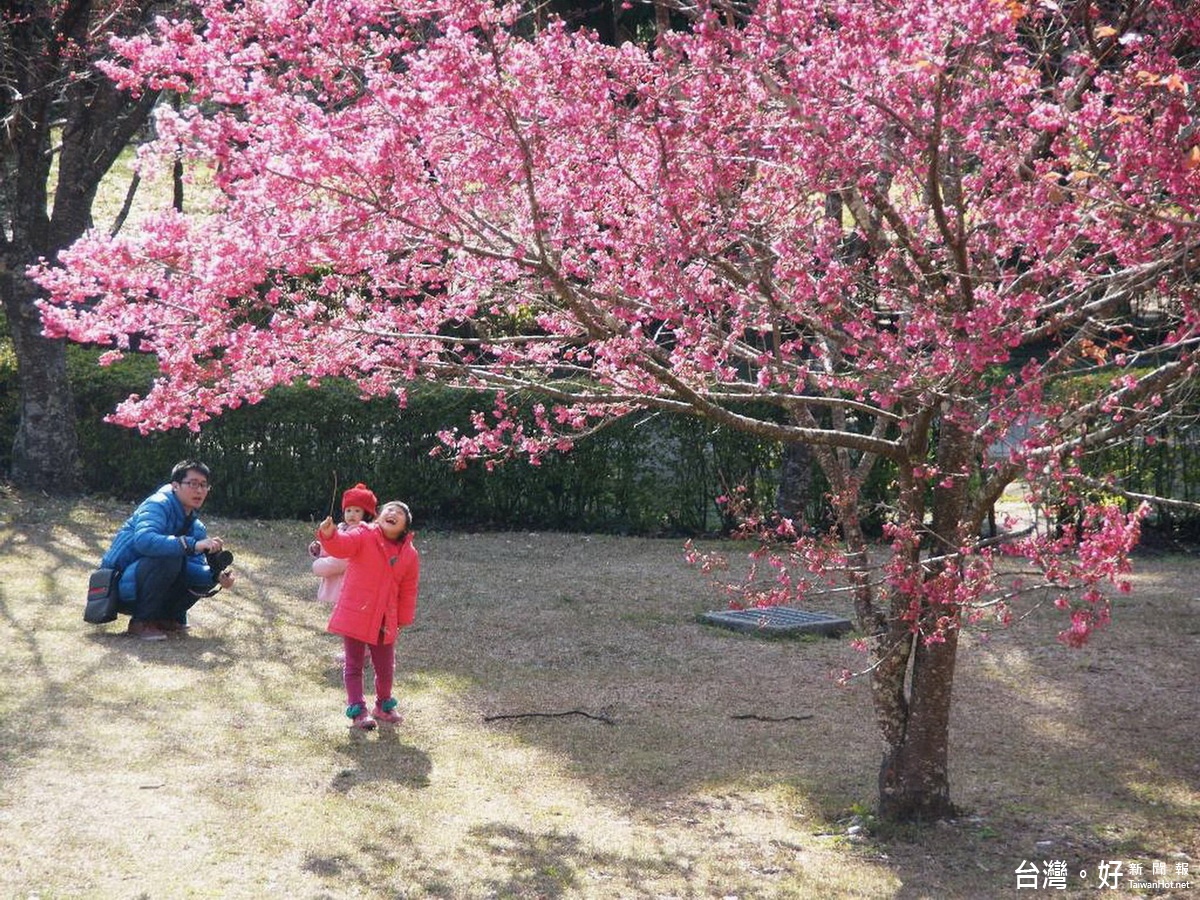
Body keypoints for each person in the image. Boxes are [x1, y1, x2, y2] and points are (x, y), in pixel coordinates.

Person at [100, 460, 235, 641]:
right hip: (117, 585)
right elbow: (144, 540)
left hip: (143, 580)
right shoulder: (157, 504)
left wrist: (216, 576)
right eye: (193, 484)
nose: (199, 490)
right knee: (170, 555)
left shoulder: (196, 526)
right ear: (175, 486)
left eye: (204, 485)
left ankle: (165, 618)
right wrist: (190, 545)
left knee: (206, 573)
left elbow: (192, 570)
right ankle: (141, 622)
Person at [316, 499, 419, 730]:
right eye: (388, 509)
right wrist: (329, 534)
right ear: (378, 517)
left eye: (399, 512)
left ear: (405, 527)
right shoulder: (363, 534)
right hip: (356, 613)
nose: (392, 512)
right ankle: (358, 710)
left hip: (385, 618)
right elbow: (341, 546)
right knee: (353, 664)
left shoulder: (409, 553)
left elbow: (408, 588)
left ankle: (383, 704)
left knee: (385, 665)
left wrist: (402, 618)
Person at [309, 483, 376, 603]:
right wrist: (319, 549)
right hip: (333, 588)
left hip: (347, 593)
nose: (351, 514)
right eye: (348, 510)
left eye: (357, 510)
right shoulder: (340, 529)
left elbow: (341, 561)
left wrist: (317, 566)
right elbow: (332, 548)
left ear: (366, 514)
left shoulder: (361, 535)